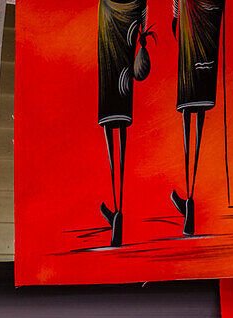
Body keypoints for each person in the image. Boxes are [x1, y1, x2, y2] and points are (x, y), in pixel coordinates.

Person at [96, 0, 150, 247]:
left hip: (109, 22)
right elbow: (144, 18)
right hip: (130, 21)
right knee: (123, 115)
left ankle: (117, 211)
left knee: (110, 115)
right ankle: (119, 207)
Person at [170, 0, 223, 237]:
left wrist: (176, 19)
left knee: (188, 115)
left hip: (189, 30)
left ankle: (189, 200)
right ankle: (191, 196)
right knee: (199, 114)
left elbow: (175, 14)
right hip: (210, 27)